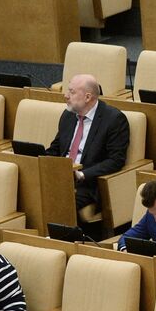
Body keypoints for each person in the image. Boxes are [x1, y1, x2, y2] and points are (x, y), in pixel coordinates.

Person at [45, 73, 130, 223]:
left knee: (58, 199)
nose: (66, 96)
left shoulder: (114, 119)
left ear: (88, 97)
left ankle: (62, 240)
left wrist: (82, 174)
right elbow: (56, 148)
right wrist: (38, 159)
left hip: (89, 183)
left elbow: (116, 160)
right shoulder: (68, 115)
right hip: (62, 176)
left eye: (71, 92)